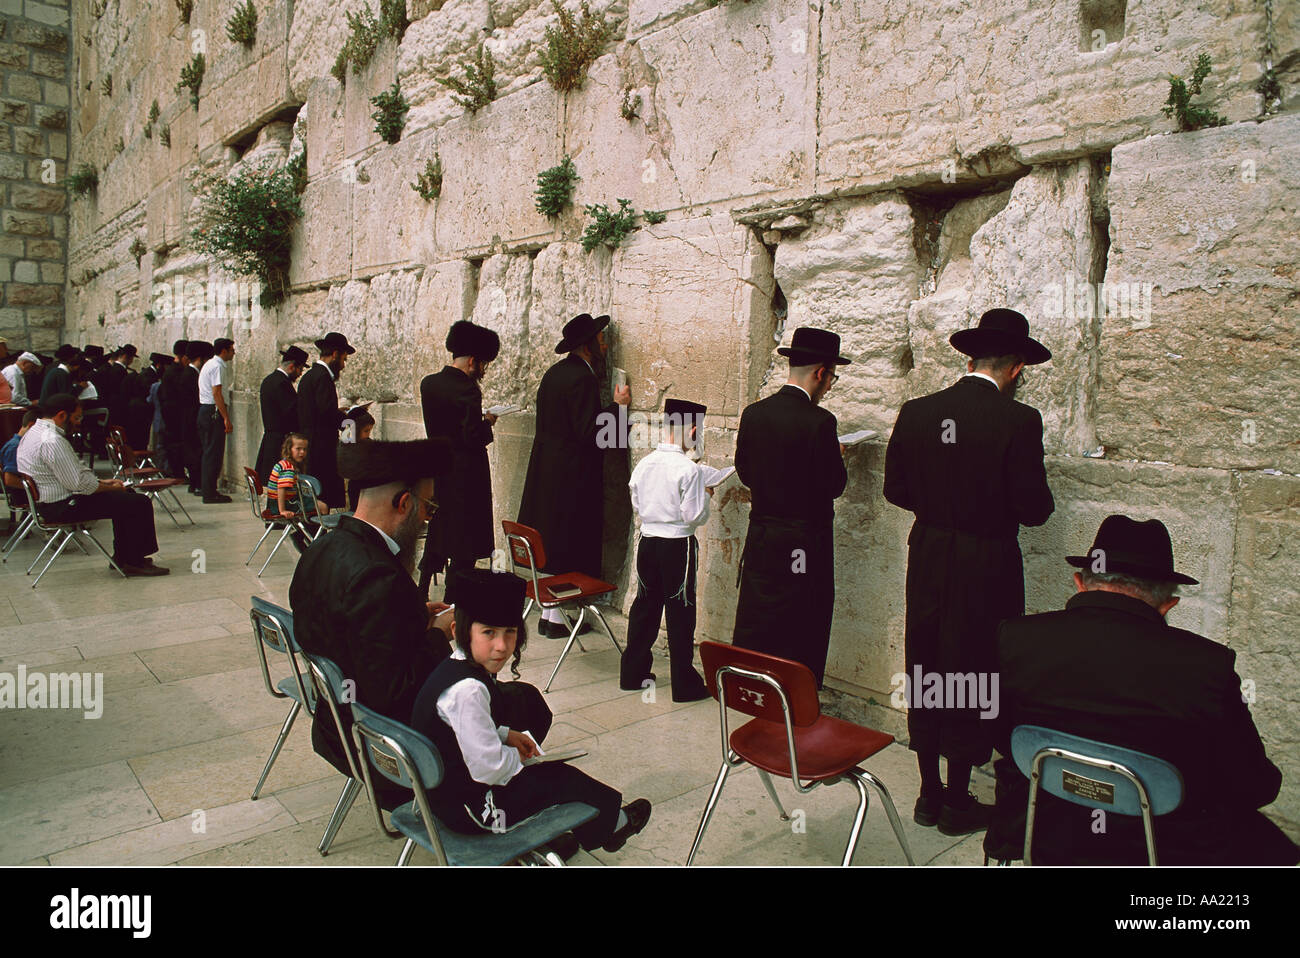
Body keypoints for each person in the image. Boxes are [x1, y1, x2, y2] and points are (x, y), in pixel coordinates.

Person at [985, 515, 1299, 866]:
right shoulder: (1207, 667)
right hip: (1161, 851)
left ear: (1079, 583)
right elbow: (1255, 786)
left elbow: (1002, 739)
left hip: (1044, 835)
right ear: (1168, 605)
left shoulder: (1015, 639)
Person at [883, 307, 1055, 835]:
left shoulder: (916, 411)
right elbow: (1035, 508)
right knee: (972, 669)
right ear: (1017, 368)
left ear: (972, 357)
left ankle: (928, 793)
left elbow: (896, 490)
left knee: (929, 665)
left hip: (931, 554)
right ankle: (958, 798)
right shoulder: (1019, 421)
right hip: (987, 563)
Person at [411, 568, 652, 853]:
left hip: (439, 799)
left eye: (510, 632)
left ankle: (601, 825)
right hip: (473, 812)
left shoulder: (454, 668)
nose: (501, 646)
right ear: (459, 631)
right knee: (561, 780)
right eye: (488, 632)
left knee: (556, 778)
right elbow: (489, 769)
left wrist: (504, 734)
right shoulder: (469, 690)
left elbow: (458, 728)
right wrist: (525, 762)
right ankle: (613, 826)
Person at [290, 438, 452, 804]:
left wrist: (414, 616)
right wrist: (439, 636)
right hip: (384, 751)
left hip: (335, 728)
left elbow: (347, 632)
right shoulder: (379, 576)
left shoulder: (319, 548)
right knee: (520, 704)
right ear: (404, 504)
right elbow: (393, 692)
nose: (427, 517)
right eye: (428, 506)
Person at [732, 327, 849, 687]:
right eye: (832, 377)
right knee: (803, 615)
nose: (830, 385)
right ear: (820, 373)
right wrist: (836, 457)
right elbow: (834, 485)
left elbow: (746, 471)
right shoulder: (821, 422)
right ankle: (796, 692)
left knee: (760, 609)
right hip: (804, 539)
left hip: (764, 533)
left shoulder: (754, 413)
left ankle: (753, 686)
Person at [518, 313, 630, 637]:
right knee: (566, 542)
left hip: (548, 472)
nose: (606, 344)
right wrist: (617, 408)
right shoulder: (582, 378)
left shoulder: (554, 374)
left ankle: (549, 617)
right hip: (571, 477)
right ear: (588, 345)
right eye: (601, 339)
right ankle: (557, 622)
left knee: (552, 542)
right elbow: (588, 432)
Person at [620, 398, 712, 701]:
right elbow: (693, 516)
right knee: (680, 611)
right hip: (678, 545)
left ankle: (633, 673)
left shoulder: (644, 464)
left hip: (648, 543)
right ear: (693, 429)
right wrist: (706, 494)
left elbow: (637, 505)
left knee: (645, 607)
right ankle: (684, 684)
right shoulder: (689, 469)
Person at [16, 394, 168, 576]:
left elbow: (70, 475)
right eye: (77, 417)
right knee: (138, 502)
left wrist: (103, 482)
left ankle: (125, 557)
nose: (79, 422)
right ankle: (133, 560)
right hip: (61, 506)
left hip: (49, 501)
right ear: (62, 415)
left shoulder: (34, 432)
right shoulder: (52, 440)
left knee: (125, 497)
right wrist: (112, 487)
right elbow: (79, 484)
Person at [417, 320, 501, 600]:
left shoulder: (429, 384)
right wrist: (487, 422)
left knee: (440, 532)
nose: (483, 371)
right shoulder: (468, 389)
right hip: (467, 474)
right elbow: (471, 436)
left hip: (440, 468)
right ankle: (453, 599)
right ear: (473, 361)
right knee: (464, 539)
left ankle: (422, 588)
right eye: (483, 365)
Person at [298, 332, 354, 509]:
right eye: (344, 359)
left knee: (314, 497)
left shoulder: (310, 376)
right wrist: (350, 425)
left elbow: (318, 410)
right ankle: (314, 534)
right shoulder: (323, 377)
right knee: (323, 496)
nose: (343, 365)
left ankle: (308, 534)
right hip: (321, 448)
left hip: (311, 444)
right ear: (335, 354)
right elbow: (327, 413)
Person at [255, 345, 307, 484]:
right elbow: (291, 413)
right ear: (291, 367)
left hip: (271, 437)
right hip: (279, 440)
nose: (300, 373)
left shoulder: (269, 380)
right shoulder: (282, 383)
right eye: (300, 369)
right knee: (280, 482)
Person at [160, 341, 204, 493]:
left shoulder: (176, 371)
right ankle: (181, 475)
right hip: (178, 417)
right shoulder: (180, 373)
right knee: (185, 448)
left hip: (177, 416)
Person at [197, 337, 235, 503]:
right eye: (232, 349)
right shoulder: (217, 366)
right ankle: (210, 492)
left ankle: (208, 489)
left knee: (209, 452)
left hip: (206, 410)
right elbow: (217, 393)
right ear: (224, 351)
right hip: (213, 411)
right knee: (214, 453)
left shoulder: (210, 364)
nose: (234, 352)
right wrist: (226, 417)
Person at [267, 433, 314, 553]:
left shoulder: (284, 463)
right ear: (289, 449)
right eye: (298, 449)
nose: (302, 452)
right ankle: (315, 542)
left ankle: (301, 534)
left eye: (304, 449)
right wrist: (282, 510)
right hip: (282, 505)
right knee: (322, 508)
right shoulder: (288, 468)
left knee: (313, 503)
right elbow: (281, 489)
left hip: (275, 503)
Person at [340, 403, 374, 512]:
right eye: (366, 431)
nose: (368, 435)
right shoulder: (349, 444)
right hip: (358, 487)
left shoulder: (367, 443)